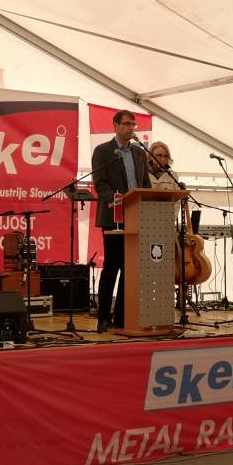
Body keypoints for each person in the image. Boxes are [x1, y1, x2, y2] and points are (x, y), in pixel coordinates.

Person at [91, 109, 151, 332]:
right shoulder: (103, 151)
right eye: (126, 124)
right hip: (114, 216)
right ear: (115, 125)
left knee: (130, 268)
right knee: (112, 267)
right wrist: (117, 200)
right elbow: (100, 184)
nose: (130, 128)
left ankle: (122, 317)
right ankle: (103, 317)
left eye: (133, 124)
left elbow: (145, 183)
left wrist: (148, 200)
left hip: (136, 217)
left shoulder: (139, 152)